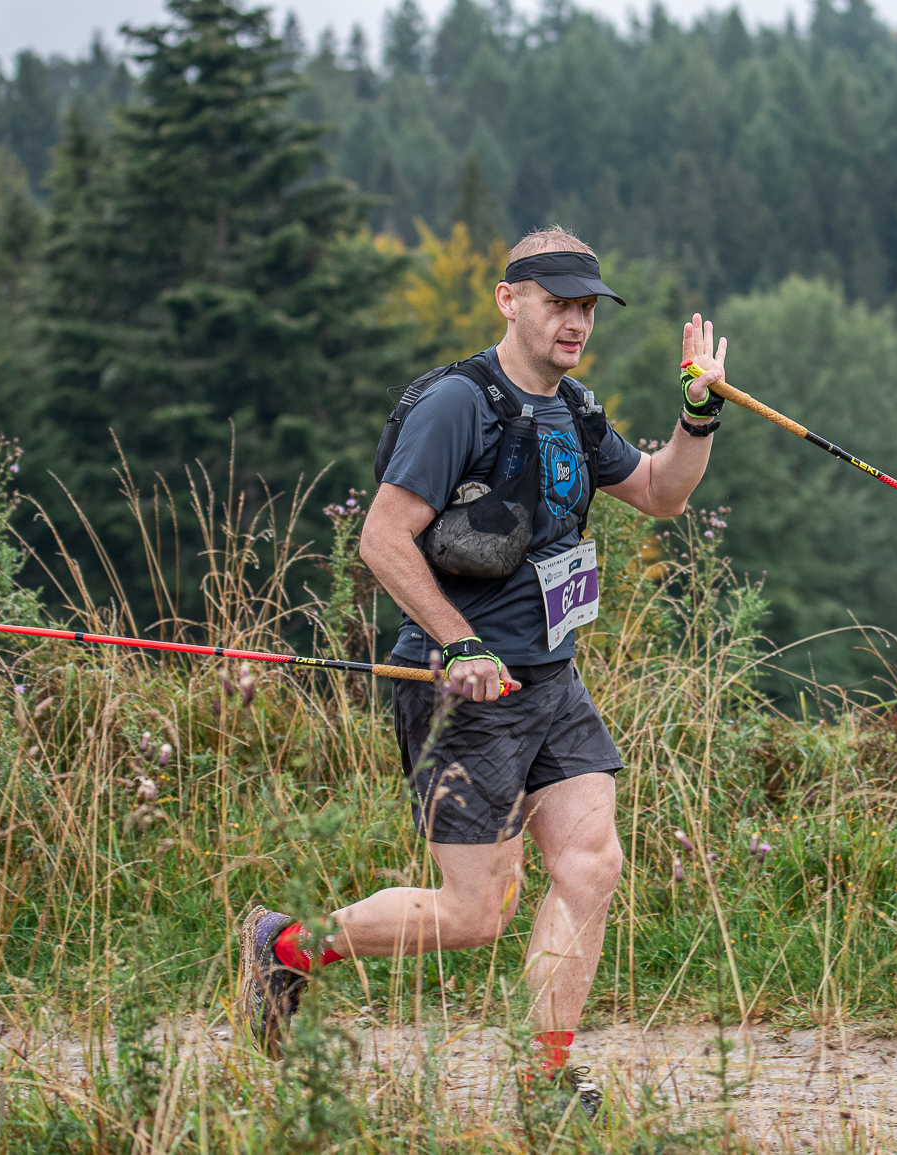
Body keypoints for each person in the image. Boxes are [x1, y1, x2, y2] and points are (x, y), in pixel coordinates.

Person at [236, 226, 727, 1113]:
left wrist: (698, 413)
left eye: (587, 307)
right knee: (477, 913)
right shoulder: (457, 405)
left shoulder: (575, 409)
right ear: (510, 300)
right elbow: (382, 537)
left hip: (552, 680)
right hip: (460, 689)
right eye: (558, 303)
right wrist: (459, 642)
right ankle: (286, 947)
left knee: (591, 863)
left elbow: (661, 492)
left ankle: (544, 1081)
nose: (575, 322)